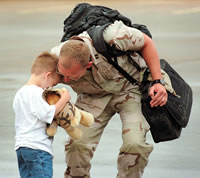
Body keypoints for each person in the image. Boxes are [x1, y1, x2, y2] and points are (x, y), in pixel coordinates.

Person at [51, 20, 168, 178]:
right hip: (92, 97)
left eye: (70, 77)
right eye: (62, 74)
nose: (64, 79)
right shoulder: (54, 58)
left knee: (135, 145)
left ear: (88, 65)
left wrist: (157, 81)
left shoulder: (114, 36)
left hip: (130, 89)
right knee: (77, 144)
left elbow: (147, 42)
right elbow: (36, 85)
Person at [13, 51, 71, 178]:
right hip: (37, 148)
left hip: (22, 147)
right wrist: (64, 99)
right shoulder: (36, 92)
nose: (49, 89)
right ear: (47, 75)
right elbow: (48, 114)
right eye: (53, 84)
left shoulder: (21, 92)